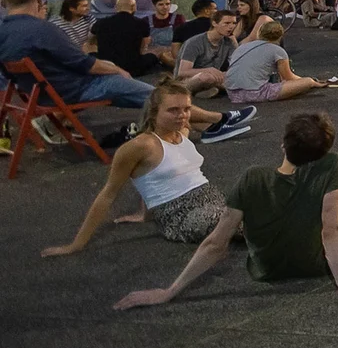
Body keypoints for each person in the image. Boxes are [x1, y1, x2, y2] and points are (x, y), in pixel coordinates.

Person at [114, 112, 338, 310]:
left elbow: (215, 243)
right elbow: (332, 230)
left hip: (267, 268)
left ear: (283, 144)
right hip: (317, 260)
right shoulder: (333, 164)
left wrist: (170, 290)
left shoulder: (253, 177)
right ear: (325, 151)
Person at [41, 81, 238, 255]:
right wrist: (76, 244)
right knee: (248, 222)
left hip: (212, 200)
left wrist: (144, 213)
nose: (182, 115)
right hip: (181, 216)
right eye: (173, 110)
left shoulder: (180, 134)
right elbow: (108, 194)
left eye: (186, 109)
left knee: (257, 201)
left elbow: (155, 176)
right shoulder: (140, 146)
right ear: (154, 112)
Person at [222, 21, 325, 106]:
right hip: (255, 93)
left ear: (259, 33)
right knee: (307, 82)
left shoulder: (242, 47)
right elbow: (288, 77)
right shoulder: (277, 50)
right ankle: (312, 82)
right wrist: (310, 81)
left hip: (232, 92)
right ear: (280, 35)